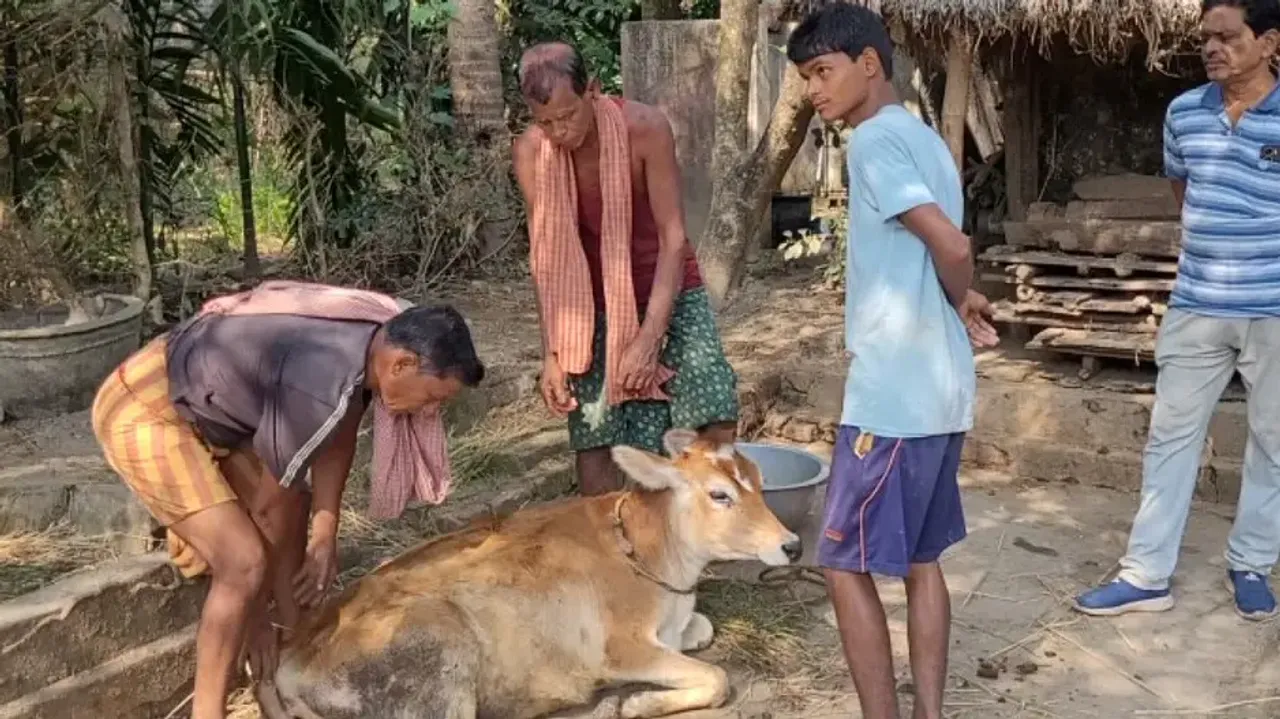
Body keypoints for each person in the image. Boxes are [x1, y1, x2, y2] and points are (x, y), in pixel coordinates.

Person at [91, 280, 484, 719]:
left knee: (294, 507)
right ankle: (209, 710)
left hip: (211, 401)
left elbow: (337, 437)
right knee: (243, 563)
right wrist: (255, 614)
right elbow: (266, 508)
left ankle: (291, 662)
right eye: (432, 398)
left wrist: (325, 532)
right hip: (147, 406)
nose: (429, 412)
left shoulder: (370, 343)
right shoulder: (319, 385)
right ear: (401, 364)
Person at [786, 6, 999, 719]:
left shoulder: (873, 143)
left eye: (823, 71)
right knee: (921, 559)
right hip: (940, 391)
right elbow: (939, 256)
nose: (815, 90)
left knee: (840, 562)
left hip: (893, 398)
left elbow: (954, 248)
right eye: (807, 76)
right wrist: (960, 302)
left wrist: (961, 288)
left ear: (868, 65)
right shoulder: (928, 140)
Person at [1074, 0, 1280, 621]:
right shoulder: (1183, 113)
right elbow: (1184, 194)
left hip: (1273, 310)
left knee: (1273, 444)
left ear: (1269, 42)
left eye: (1228, 37)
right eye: (1206, 39)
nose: (1213, 48)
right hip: (1196, 303)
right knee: (1169, 438)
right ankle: (1146, 574)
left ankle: (1250, 564)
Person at [511, 41, 740, 495]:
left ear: (593, 90)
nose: (559, 133)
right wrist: (552, 353)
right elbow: (545, 258)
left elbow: (674, 238)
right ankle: (614, 553)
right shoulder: (531, 153)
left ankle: (705, 531)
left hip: (667, 285)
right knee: (596, 434)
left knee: (712, 406)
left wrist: (648, 337)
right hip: (584, 305)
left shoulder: (645, 128)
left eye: (568, 116)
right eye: (545, 122)